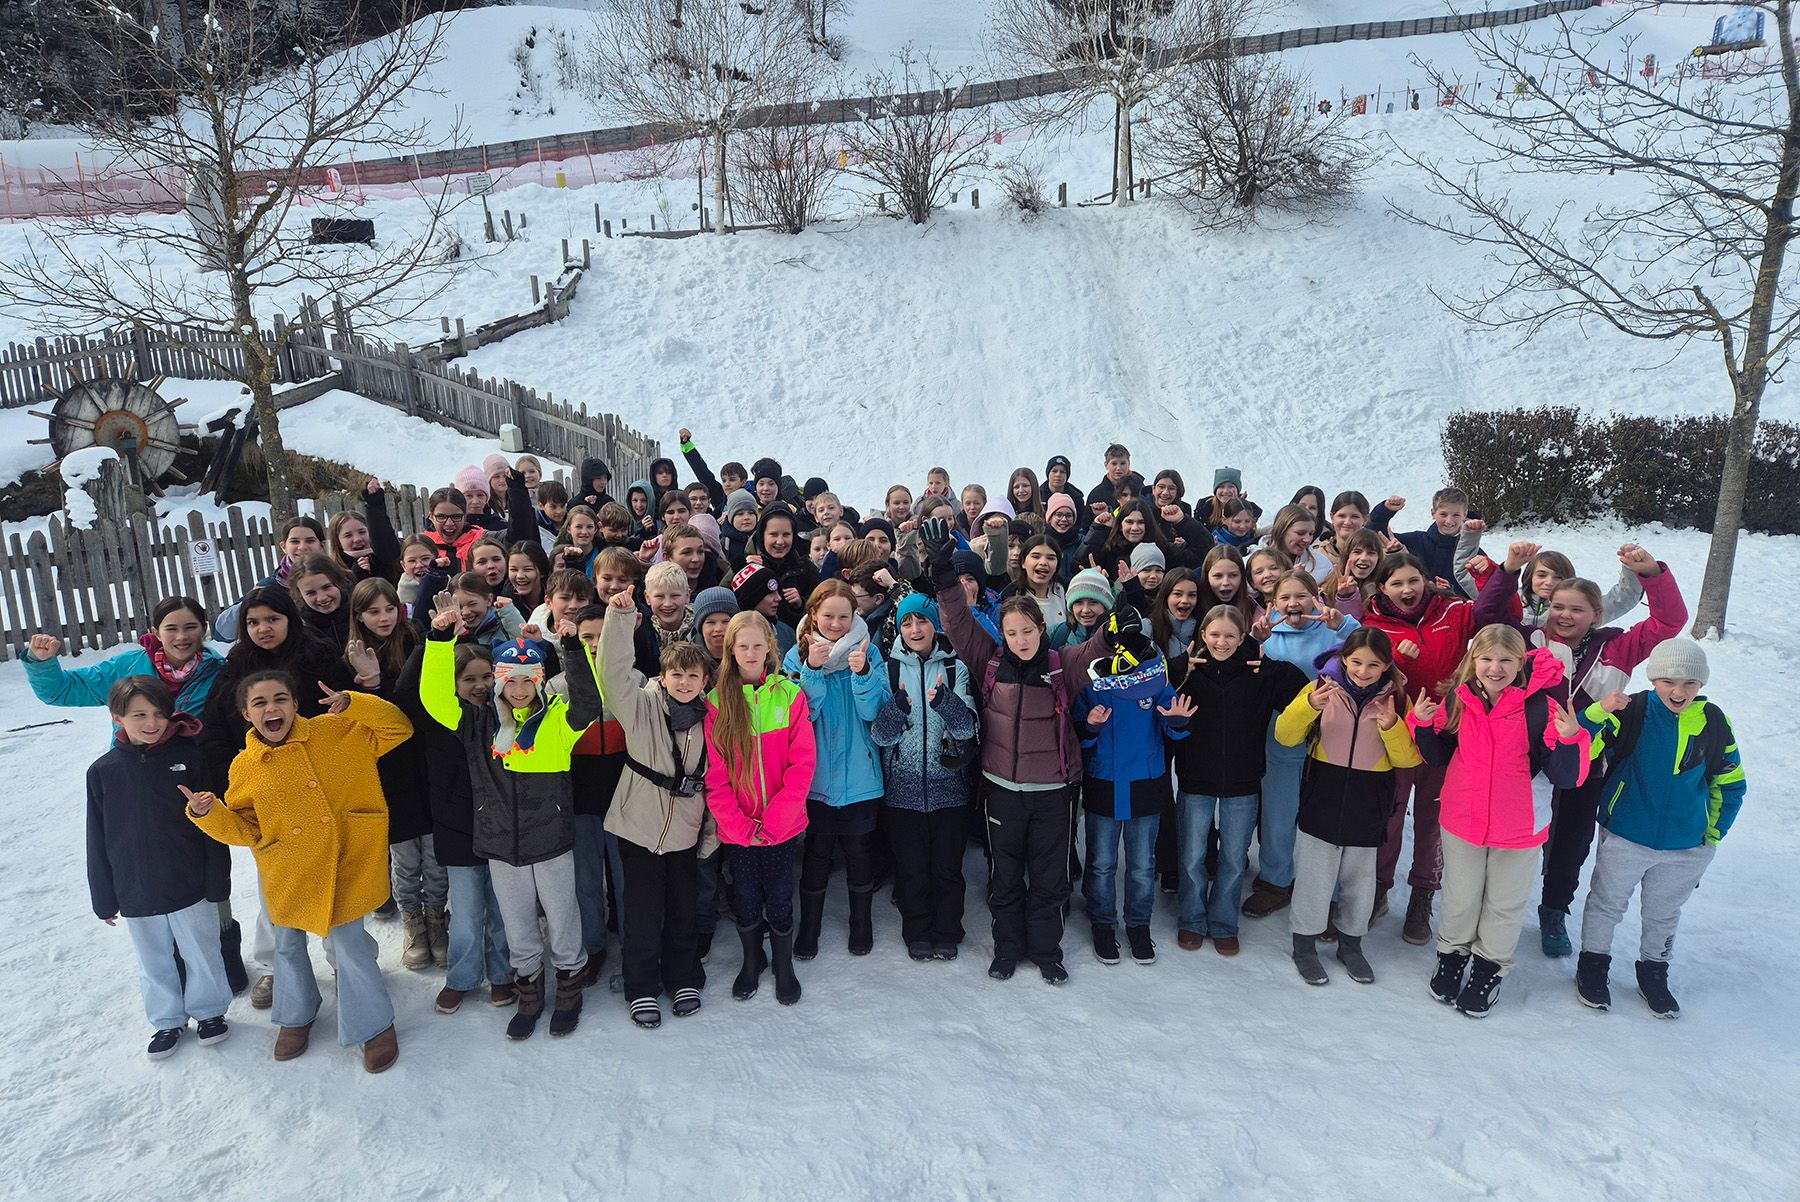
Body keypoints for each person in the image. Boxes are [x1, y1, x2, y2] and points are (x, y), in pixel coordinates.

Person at [184, 670, 411, 1071]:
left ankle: (374, 1025)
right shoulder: (245, 766)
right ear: (246, 714)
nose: (272, 708)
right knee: (287, 948)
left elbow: (398, 727)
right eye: (260, 703)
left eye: (280, 699)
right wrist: (209, 814)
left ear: (294, 704)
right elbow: (244, 829)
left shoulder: (339, 731)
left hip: (345, 860)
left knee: (350, 946)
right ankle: (296, 1015)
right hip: (286, 869)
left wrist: (354, 703)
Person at [1474, 541, 1685, 956]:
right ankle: (1492, 907)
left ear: (1596, 615)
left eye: (1576, 609)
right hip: (1527, 761)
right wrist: (1508, 569)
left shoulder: (1618, 647)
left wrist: (1651, 575)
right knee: (1509, 837)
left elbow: (1670, 621)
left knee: (1570, 841)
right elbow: (1485, 616)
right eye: (1558, 607)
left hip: (1587, 762)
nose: (1565, 616)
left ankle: (1554, 910)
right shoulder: (1527, 639)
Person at [418, 614, 602, 1041]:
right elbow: (434, 699)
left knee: (562, 917)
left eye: (528, 682)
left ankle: (570, 987)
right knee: (518, 924)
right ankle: (530, 992)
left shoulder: (557, 722)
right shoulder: (478, 724)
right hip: (501, 843)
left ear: (539, 683)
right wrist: (440, 640)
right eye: (511, 682)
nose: (519, 691)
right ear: (499, 684)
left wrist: (572, 650)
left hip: (551, 840)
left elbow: (590, 705)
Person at [925, 517, 1088, 985]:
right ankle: (1007, 948)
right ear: (1002, 633)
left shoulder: (1063, 665)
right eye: (1012, 632)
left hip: (1054, 792)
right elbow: (955, 620)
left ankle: (1047, 950)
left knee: (1050, 877)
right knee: (1005, 877)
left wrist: (1125, 619)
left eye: (1028, 630)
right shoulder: (989, 659)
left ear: (1042, 627)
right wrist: (942, 571)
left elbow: (1100, 644)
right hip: (1002, 790)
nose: (1020, 639)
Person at [1408, 629, 1590, 1018]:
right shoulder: (1460, 697)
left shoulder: (1540, 706)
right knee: (1461, 895)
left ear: (1521, 662)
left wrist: (1572, 738)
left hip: (1519, 824)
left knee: (1503, 904)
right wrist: (1423, 726)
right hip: (1462, 818)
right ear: (1474, 660)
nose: (1495, 668)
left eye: (1506, 660)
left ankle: (1489, 968)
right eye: (1487, 658)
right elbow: (1438, 755)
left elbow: (1566, 777)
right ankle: (1452, 956)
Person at [1574, 639, 1745, 1018]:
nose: (1678, 691)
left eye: (1689, 683)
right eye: (1668, 681)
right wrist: (1597, 714)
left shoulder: (1714, 722)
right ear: (1653, 680)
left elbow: (1731, 783)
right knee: (1607, 903)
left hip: (1686, 845)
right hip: (1626, 833)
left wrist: (1711, 836)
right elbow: (1578, 748)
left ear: (1700, 684)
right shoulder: (1631, 711)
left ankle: (1654, 970)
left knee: (1664, 913)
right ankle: (1593, 964)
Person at [87, 676, 232, 1060]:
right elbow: (97, 836)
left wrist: (217, 880)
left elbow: (213, 825)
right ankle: (167, 1019)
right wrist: (104, 896)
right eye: (139, 715)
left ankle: (210, 1011)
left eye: (158, 714)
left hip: (189, 880)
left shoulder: (190, 757)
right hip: (136, 885)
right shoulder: (103, 771)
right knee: (153, 958)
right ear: (117, 717)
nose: (151, 723)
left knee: (201, 950)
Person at [598, 585, 717, 1029]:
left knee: (683, 908)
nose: (684, 684)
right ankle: (642, 986)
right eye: (676, 676)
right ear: (662, 677)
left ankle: (683, 974)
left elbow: (717, 781)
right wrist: (619, 619)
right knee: (643, 914)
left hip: (686, 830)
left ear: (704, 681)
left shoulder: (712, 720)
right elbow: (612, 673)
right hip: (639, 827)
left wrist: (710, 833)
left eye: (693, 676)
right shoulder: (641, 707)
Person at [1276, 629, 1420, 986]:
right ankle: (1304, 945)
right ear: (1343, 658)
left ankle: (1351, 945)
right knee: (1314, 875)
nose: (1363, 670)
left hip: (1369, 798)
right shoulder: (1320, 688)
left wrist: (1391, 726)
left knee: (1359, 879)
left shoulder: (1398, 699)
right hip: (1322, 790)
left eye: (1373, 664)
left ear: (1386, 665)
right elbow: (1285, 734)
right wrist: (1308, 707)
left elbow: (1409, 757)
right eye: (1356, 661)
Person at [1172, 606, 1305, 955]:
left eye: (1230, 635)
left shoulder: (1258, 673)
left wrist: (1270, 664)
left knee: (1233, 858)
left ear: (1243, 637)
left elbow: (1301, 691)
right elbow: (1159, 691)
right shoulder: (1189, 671)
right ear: (1202, 636)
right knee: (1191, 855)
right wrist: (1177, 666)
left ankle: (1223, 921)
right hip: (1196, 776)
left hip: (1243, 779)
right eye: (1215, 634)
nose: (1222, 641)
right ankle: (1192, 918)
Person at [1360, 552, 1477, 943]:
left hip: (1443, 735)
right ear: (1382, 588)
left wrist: (1501, 569)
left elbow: (1499, 611)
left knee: (1432, 820)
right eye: (1396, 583)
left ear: (1427, 580)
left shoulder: (1454, 611)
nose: (1407, 589)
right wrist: (1396, 661)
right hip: (1393, 734)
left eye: (1413, 580)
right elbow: (1363, 671)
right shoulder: (1372, 623)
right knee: (1389, 815)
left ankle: (1422, 895)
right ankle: (1378, 889)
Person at [396, 641, 515, 1015]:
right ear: (453, 683)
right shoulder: (442, 717)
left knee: (501, 910)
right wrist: (434, 640)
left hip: (502, 828)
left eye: (486, 677)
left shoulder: (506, 717)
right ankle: (462, 976)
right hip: (458, 828)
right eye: (468, 679)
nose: (479, 685)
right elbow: (410, 691)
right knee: (465, 913)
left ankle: (502, 974)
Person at [705, 612, 815, 1006]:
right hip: (740, 830)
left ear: (769, 645)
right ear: (730, 651)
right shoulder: (717, 703)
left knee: (781, 894)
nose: (750, 653)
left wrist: (777, 820)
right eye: (742, 646)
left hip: (781, 827)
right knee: (746, 897)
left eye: (757, 644)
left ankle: (784, 965)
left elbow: (802, 764)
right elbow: (715, 776)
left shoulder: (790, 696)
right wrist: (739, 824)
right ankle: (753, 960)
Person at [1077, 611, 1194, 967]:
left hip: (1146, 781)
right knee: (1101, 862)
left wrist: (1176, 722)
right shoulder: (1094, 680)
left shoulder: (1155, 677)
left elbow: (1171, 722)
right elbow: (1080, 732)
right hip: (1105, 780)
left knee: (1143, 864)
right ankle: (1102, 921)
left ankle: (1139, 923)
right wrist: (1090, 727)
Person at [784, 580, 890, 959]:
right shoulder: (796, 656)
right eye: (828, 615)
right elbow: (800, 716)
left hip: (861, 777)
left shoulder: (869, 651)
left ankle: (862, 925)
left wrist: (863, 677)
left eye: (844, 616)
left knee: (861, 855)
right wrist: (813, 669)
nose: (835, 623)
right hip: (816, 779)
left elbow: (876, 714)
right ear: (813, 615)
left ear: (854, 616)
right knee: (816, 854)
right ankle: (808, 928)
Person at [1243, 570, 1357, 919]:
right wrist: (1251, 640)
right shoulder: (1267, 636)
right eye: (1285, 598)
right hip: (1280, 735)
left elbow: (1371, 654)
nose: (1294, 603)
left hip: (1332, 737)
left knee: (1326, 813)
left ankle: (1327, 890)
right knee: (1278, 811)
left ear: (1316, 597)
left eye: (1301, 595)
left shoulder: (1335, 631)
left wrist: (1344, 626)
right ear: (1273, 605)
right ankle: (1277, 880)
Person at [870, 594, 978, 962]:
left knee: (948, 867)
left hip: (950, 788)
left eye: (922, 621)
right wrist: (897, 709)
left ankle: (948, 930)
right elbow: (881, 737)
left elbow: (967, 730)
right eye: (906, 623)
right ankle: (917, 929)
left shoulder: (954, 668)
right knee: (912, 869)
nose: (915, 629)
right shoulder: (888, 669)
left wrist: (945, 702)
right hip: (902, 791)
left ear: (935, 624)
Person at [345, 579, 442, 972]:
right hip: (386, 766)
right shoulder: (350, 656)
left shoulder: (417, 642)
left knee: (435, 850)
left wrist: (377, 686)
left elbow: (412, 711)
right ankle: (413, 921)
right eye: (373, 611)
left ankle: (437, 917)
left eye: (389, 609)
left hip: (426, 758)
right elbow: (366, 720)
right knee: (404, 854)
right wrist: (368, 685)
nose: (383, 618)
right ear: (359, 616)